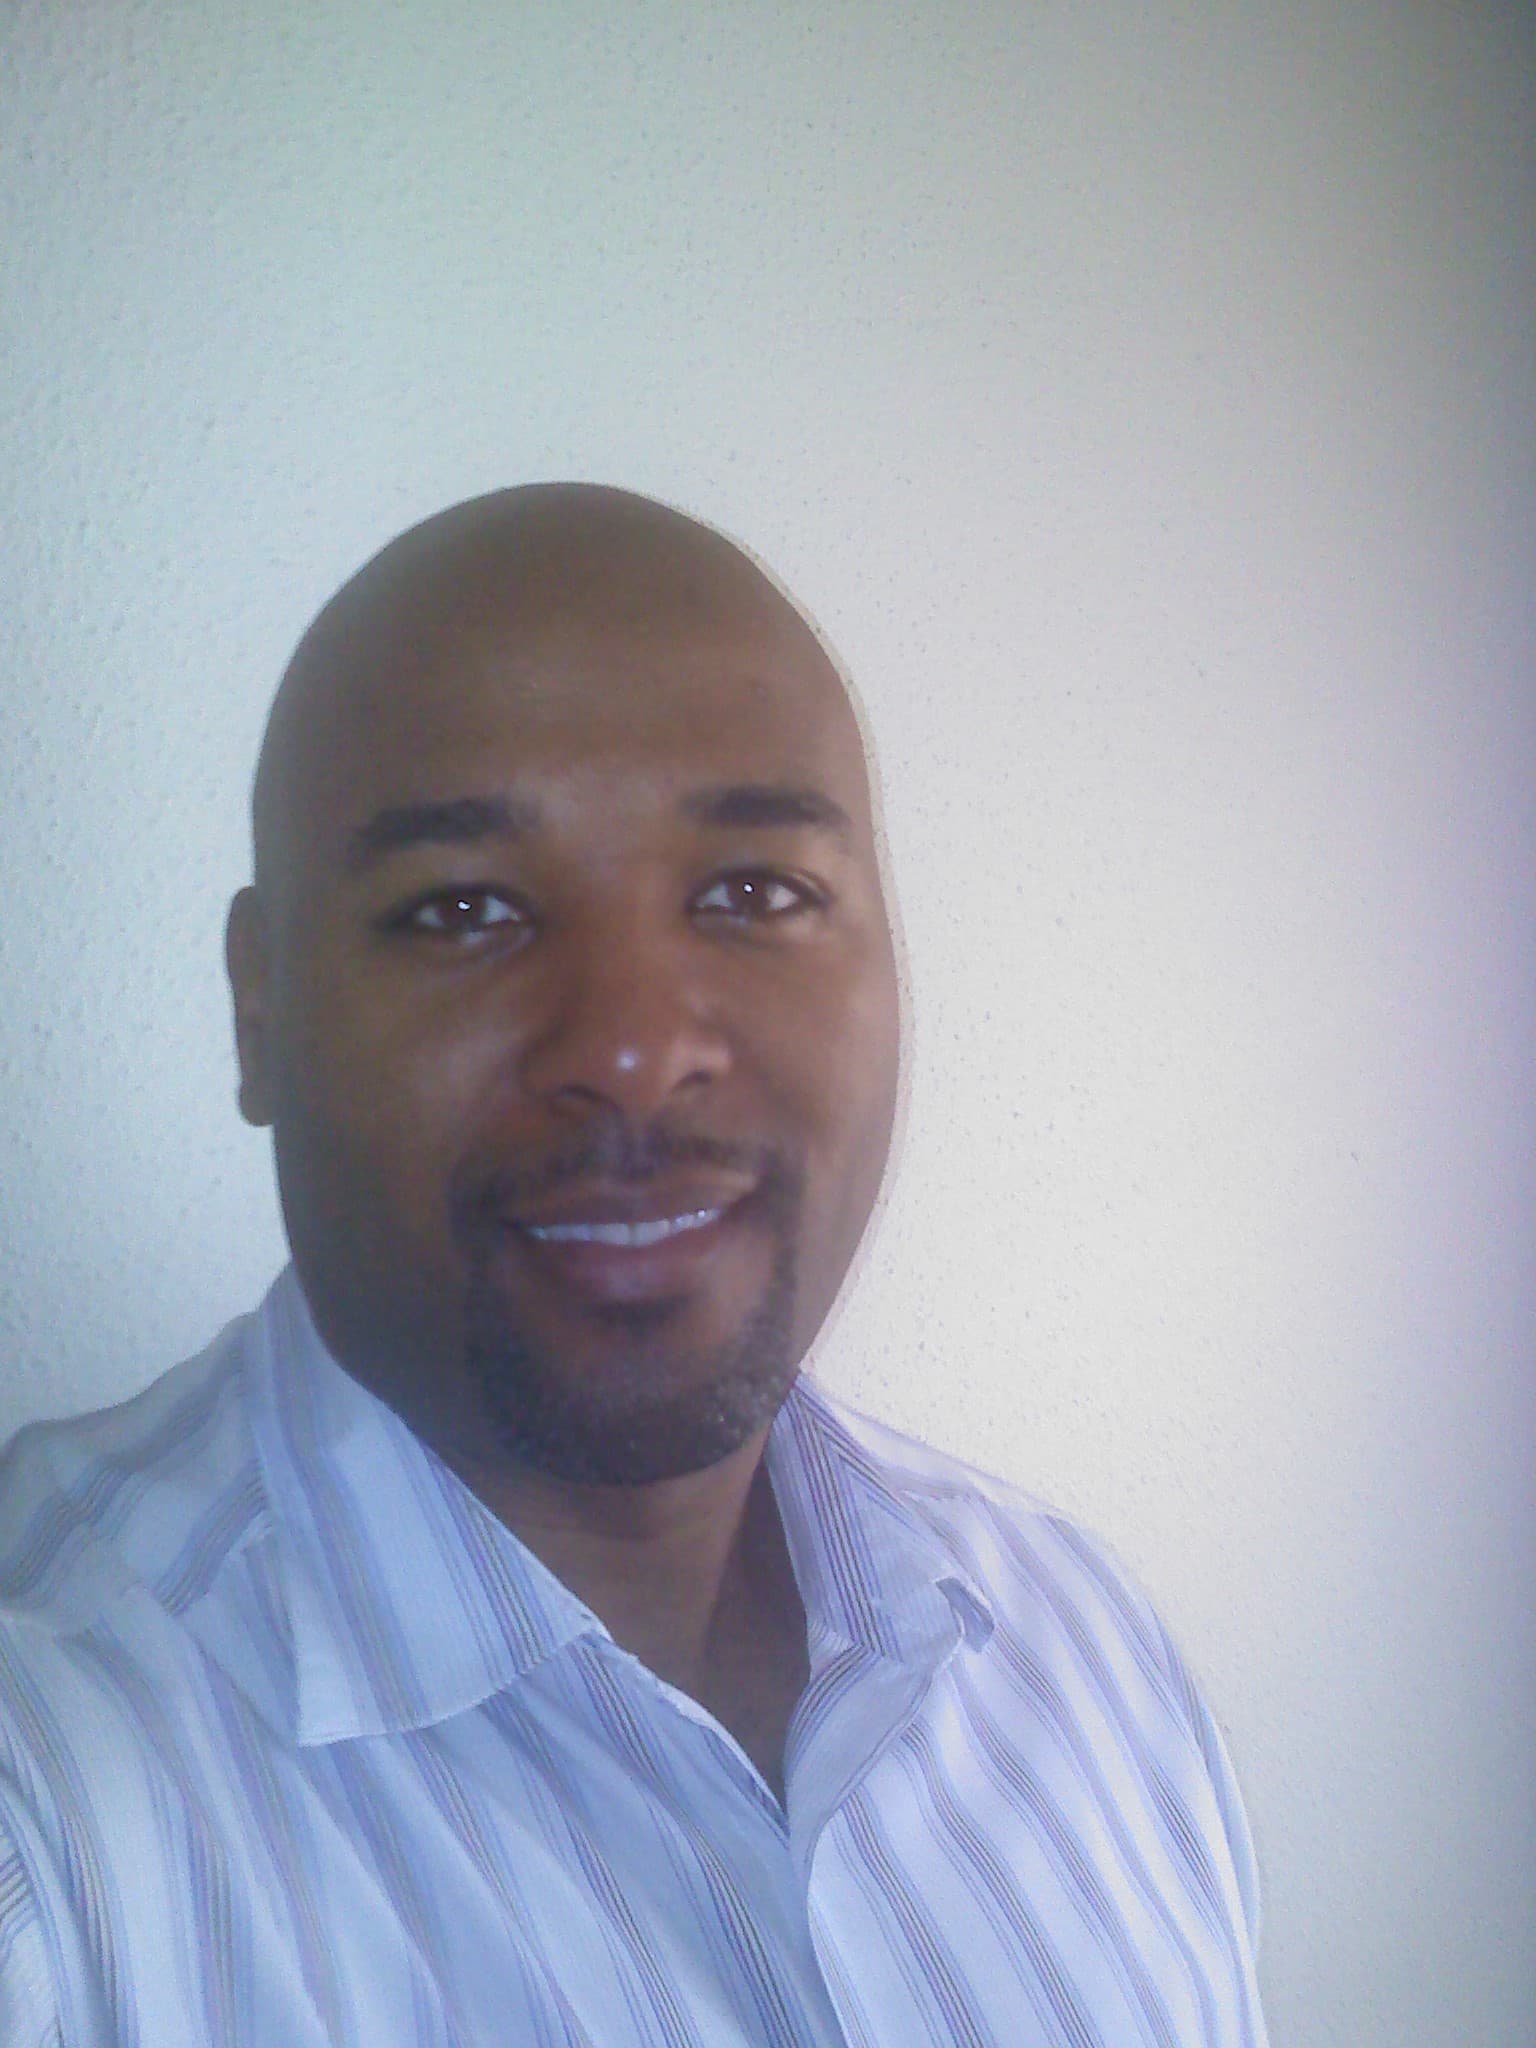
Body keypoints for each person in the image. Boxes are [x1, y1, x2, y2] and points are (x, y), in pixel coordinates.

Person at [0, 485, 1269, 2046]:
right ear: (262, 1012)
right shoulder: (49, 1808)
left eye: (754, 893)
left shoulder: (1083, 1659)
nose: (634, 1048)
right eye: (462, 910)